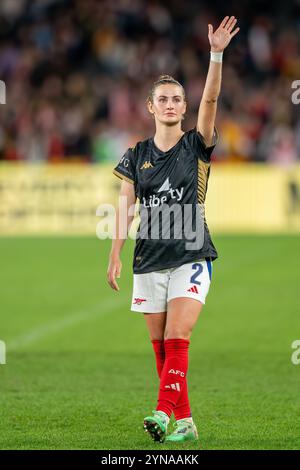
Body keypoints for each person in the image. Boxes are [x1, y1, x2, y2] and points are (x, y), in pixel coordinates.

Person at [107, 16, 240, 443]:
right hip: (148, 257)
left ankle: (162, 414)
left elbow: (213, 99)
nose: (169, 104)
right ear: (150, 107)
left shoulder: (196, 143)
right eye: (162, 98)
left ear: (185, 107)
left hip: (191, 251)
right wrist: (114, 253)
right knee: (162, 349)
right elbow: (126, 207)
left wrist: (215, 54)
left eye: (177, 99)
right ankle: (185, 421)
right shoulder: (136, 154)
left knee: (178, 335)